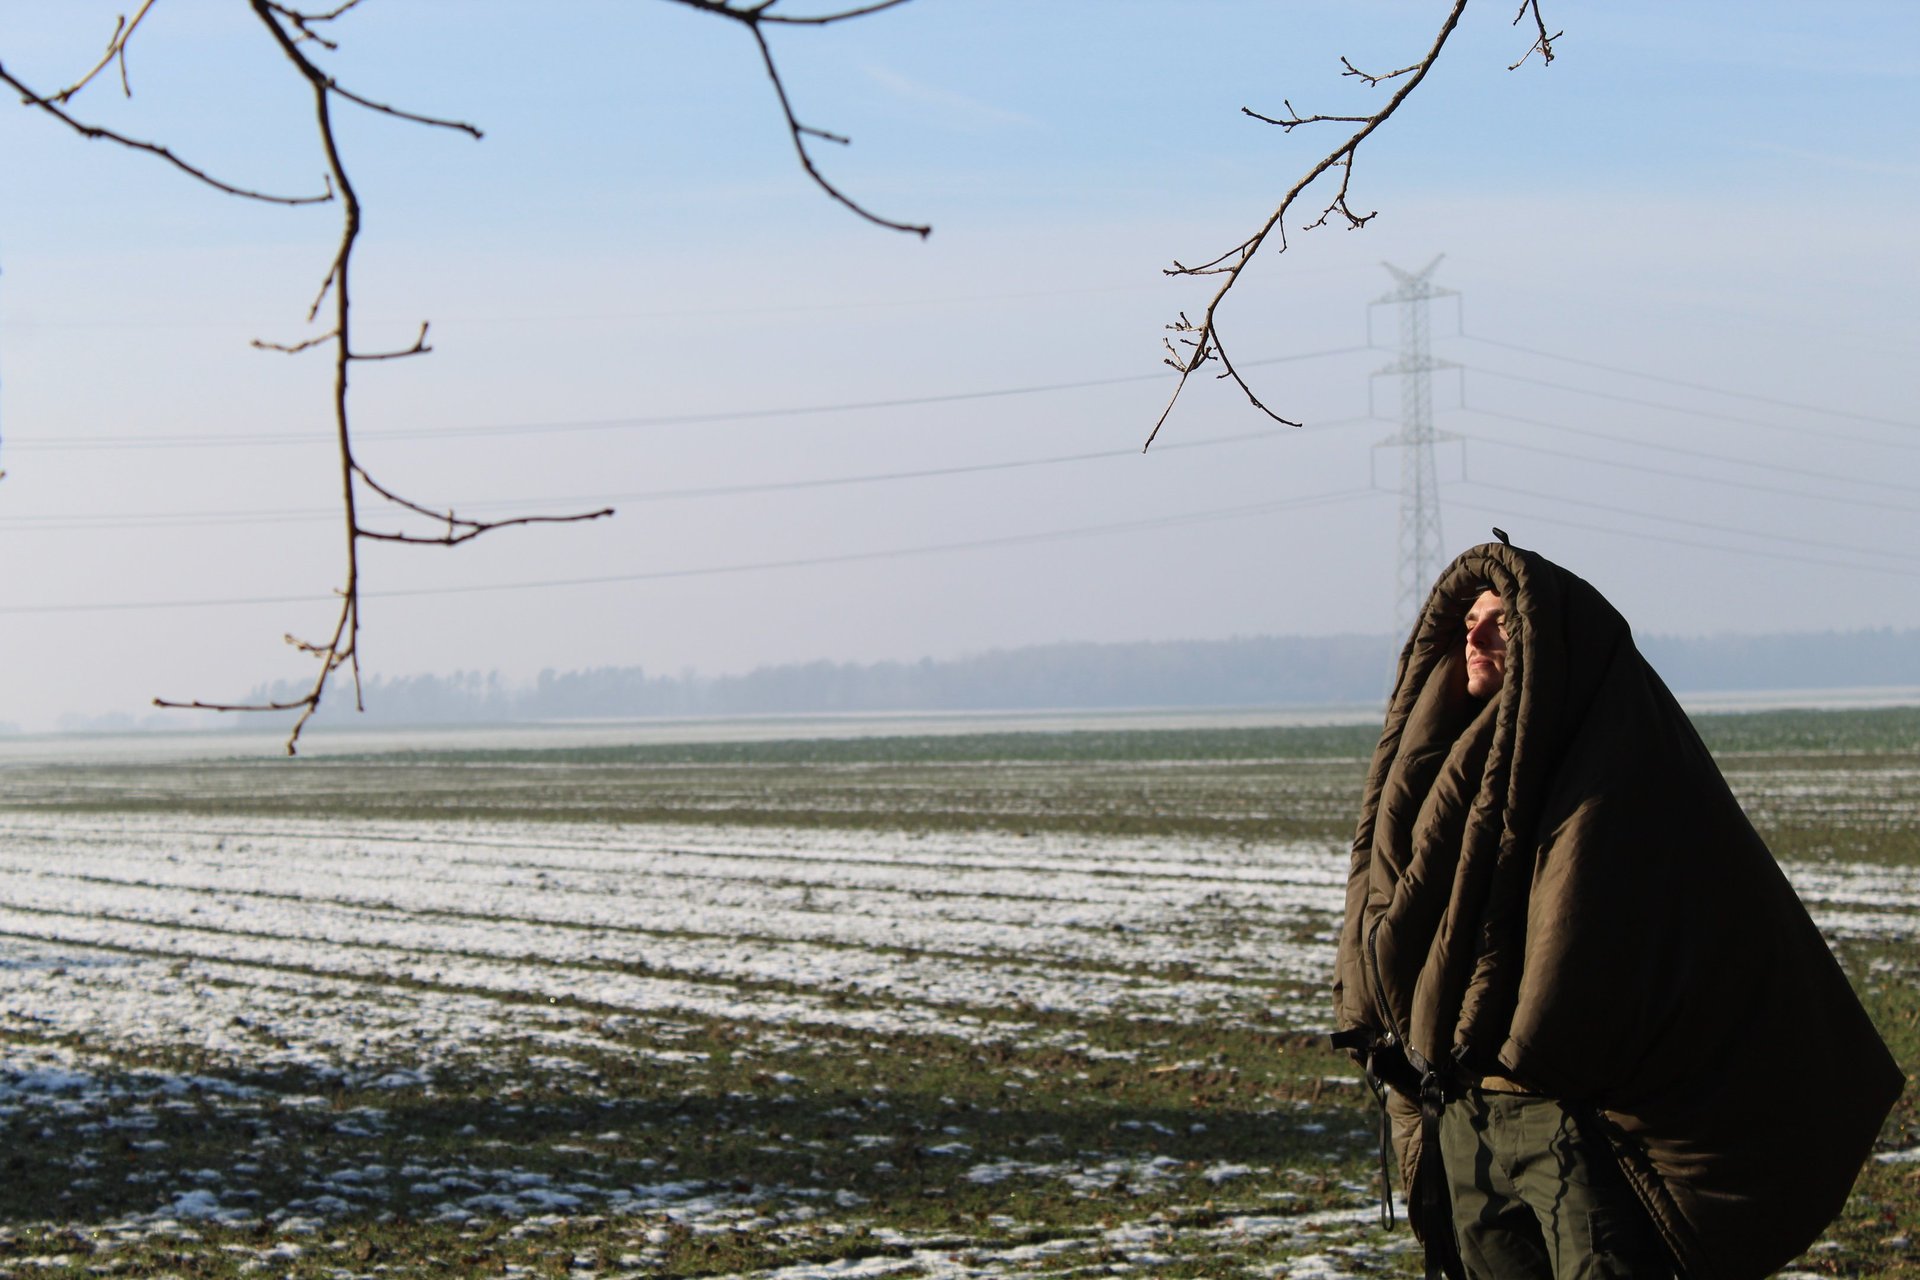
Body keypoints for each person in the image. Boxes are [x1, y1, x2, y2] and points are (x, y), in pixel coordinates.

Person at [1332, 537, 1903, 1280]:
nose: (1474, 635)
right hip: (1465, 1113)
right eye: (1468, 618)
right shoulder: (1448, 771)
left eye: (1499, 620)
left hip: (1568, 1122)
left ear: (1547, 640)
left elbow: (1626, 924)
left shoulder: (1612, 765)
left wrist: (1542, 1047)